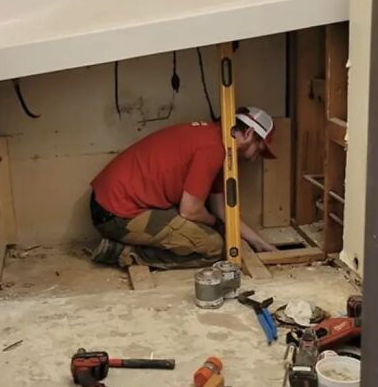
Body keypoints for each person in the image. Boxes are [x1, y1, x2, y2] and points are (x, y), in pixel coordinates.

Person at [89, 106, 278, 269]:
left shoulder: (216, 140)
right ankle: (122, 253)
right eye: (259, 149)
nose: (254, 158)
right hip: (117, 214)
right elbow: (190, 211)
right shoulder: (213, 149)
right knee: (214, 247)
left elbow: (222, 210)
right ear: (249, 134)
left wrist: (259, 243)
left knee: (207, 230)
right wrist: (213, 223)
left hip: (111, 202)